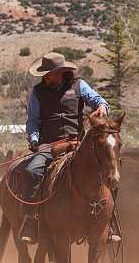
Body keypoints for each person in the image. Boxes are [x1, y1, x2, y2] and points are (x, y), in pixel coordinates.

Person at [20, 51, 120, 244]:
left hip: (78, 144)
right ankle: (31, 220)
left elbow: (100, 101)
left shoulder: (79, 86)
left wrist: (102, 109)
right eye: (47, 74)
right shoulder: (37, 94)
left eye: (52, 72)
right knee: (32, 171)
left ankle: (110, 220)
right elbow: (32, 121)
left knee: (110, 171)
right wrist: (34, 139)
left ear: (61, 72)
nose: (49, 76)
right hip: (50, 145)